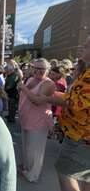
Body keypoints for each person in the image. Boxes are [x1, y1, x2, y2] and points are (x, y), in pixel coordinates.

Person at [40, 36, 90, 191]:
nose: (83, 46)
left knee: (65, 173)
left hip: (80, 136)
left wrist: (48, 97)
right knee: (83, 178)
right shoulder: (86, 72)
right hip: (79, 134)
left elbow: (74, 103)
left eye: (88, 45)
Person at [18, 58, 55, 182]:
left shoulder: (48, 83)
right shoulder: (31, 79)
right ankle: (27, 169)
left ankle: (33, 175)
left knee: (35, 150)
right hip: (26, 119)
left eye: (42, 69)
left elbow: (37, 100)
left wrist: (24, 88)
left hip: (39, 121)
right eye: (36, 68)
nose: (38, 71)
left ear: (48, 70)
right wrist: (24, 85)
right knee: (27, 147)